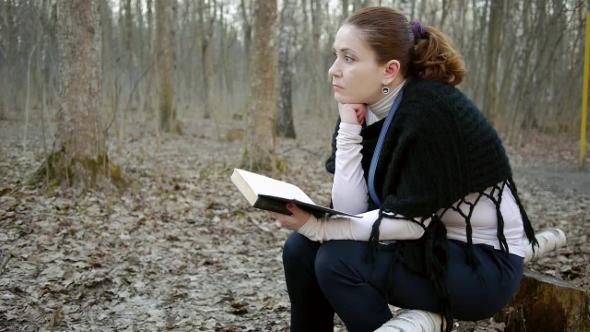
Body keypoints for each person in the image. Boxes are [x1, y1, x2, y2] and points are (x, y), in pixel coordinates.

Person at [270, 6, 538, 332]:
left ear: (389, 70)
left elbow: (409, 223)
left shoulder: (432, 110)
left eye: (348, 58)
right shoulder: (363, 106)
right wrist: (349, 132)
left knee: (336, 260)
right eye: (335, 56)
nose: (333, 70)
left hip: (482, 263)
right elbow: (351, 210)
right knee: (301, 249)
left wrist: (321, 227)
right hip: (429, 244)